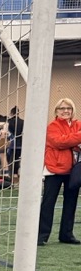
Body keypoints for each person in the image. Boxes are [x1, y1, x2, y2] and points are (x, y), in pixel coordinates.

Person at [38, 97, 81, 246]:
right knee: (48, 203)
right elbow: (59, 142)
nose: (65, 111)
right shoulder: (52, 126)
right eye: (62, 108)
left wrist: (70, 139)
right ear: (56, 111)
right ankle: (41, 235)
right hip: (54, 169)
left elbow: (68, 141)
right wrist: (77, 138)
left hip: (73, 170)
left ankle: (66, 235)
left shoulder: (77, 124)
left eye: (68, 108)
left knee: (71, 203)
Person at [7, 106, 24, 178]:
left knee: (10, 159)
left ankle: (10, 174)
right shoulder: (22, 122)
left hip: (12, 144)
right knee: (17, 159)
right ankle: (16, 174)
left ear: (11, 113)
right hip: (20, 143)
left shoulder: (10, 121)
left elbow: (9, 132)